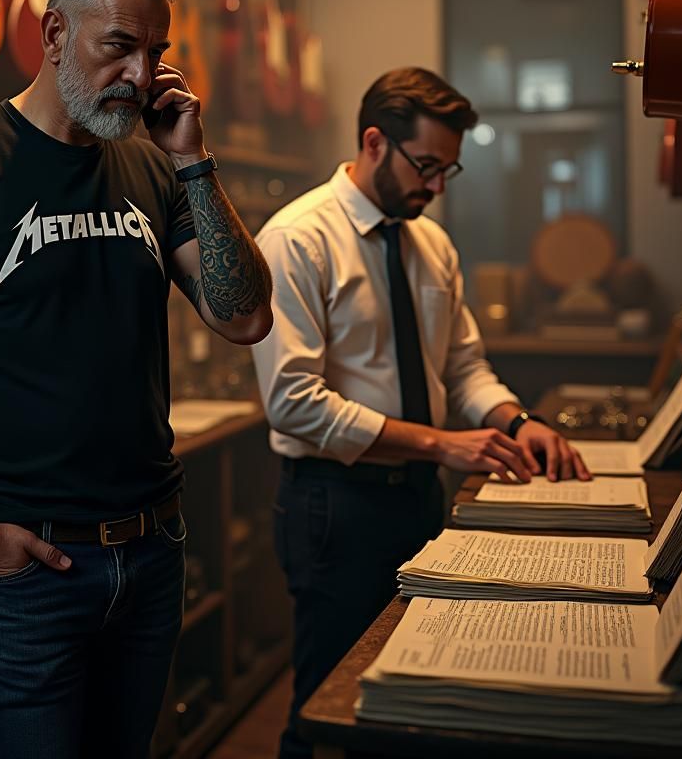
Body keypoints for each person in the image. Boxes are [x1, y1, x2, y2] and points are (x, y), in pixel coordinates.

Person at [0, 0, 273, 759]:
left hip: (152, 550)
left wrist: (193, 161)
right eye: (118, 46)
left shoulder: (153, 171)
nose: (140, 74)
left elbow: (244, 317)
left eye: (155, 52)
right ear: (54, 34)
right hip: (29, 570)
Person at [250, 66, 589, 759]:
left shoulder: (431, 243)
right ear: (375, 142)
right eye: (426, 166)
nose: (436, 188)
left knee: (407, 696)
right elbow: (292, 403)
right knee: (328, 709)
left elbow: (462, 367)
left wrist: (518, 422)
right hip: (334, 503)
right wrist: (441, 444)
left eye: (448, 170)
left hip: (418, 497)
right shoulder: (297, 238)